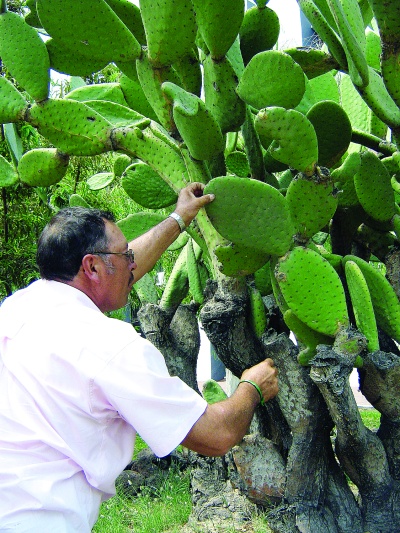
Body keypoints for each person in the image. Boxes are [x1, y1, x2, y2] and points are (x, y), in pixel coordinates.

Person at [0, 182, 279, 532]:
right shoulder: (111, 346)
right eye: (125, 256)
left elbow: (117, 276)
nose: (132, 264)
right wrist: (252, 387)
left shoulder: (18, 308)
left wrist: (179, 218)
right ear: (92, 267)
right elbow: (215, 434)